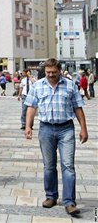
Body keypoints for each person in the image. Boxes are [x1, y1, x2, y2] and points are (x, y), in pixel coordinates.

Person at [24, 58, 88, 216]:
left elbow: (78, 108)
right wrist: (28, 126)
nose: (51, 75)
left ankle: (69, 202)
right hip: (45, 129)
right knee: (49, 166)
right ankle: (51, 196)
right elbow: (31, 107)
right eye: (48, 72)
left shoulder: (70, 85)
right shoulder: (38, 86)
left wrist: (83, 129)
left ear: (60, 70)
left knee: (68, 166)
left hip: (66, 129)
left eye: (53, 72)